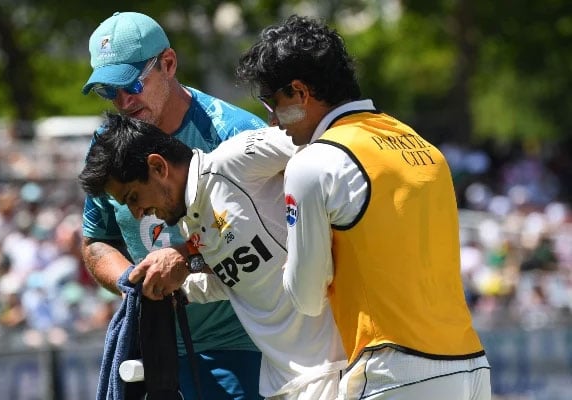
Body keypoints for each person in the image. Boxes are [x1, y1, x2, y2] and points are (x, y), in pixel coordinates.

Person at [235, 15, 491, 400]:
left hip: (394, 370)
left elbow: (305, 298)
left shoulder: (313, 162)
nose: (271, 119)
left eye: (273, 102)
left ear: (300, 92)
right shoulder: (424, 147)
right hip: (470, 365)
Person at [79, 113, 346, 399]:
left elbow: (330, 148)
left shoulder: (235, 158)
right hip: (285, 381)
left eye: (133, 197)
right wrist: (178, 291)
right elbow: (239, 280)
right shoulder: (188, 223)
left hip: (341, 367)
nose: (137, 213)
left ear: (158, 167)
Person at [81, 11, 266, 399]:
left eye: (130, 83)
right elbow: (97, 242)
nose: (123, 101)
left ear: (168, 63)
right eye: (108, 91)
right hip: (154, 345)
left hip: (244, 344)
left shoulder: (237, 135)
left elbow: (276, 233)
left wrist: (185, 257)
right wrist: (130, 281)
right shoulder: (107, 145)